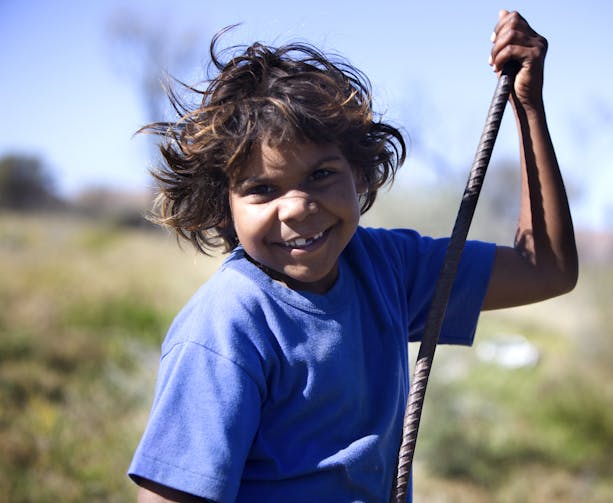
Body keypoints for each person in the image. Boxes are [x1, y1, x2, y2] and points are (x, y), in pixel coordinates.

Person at [128, 9, 577, 503]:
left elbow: (546, 269)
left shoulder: (387, 267)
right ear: (224, 207)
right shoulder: (226, 327)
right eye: (261, 189)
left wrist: (527, 105)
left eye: (321, 174)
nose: (298, 207)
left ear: (360, 175)